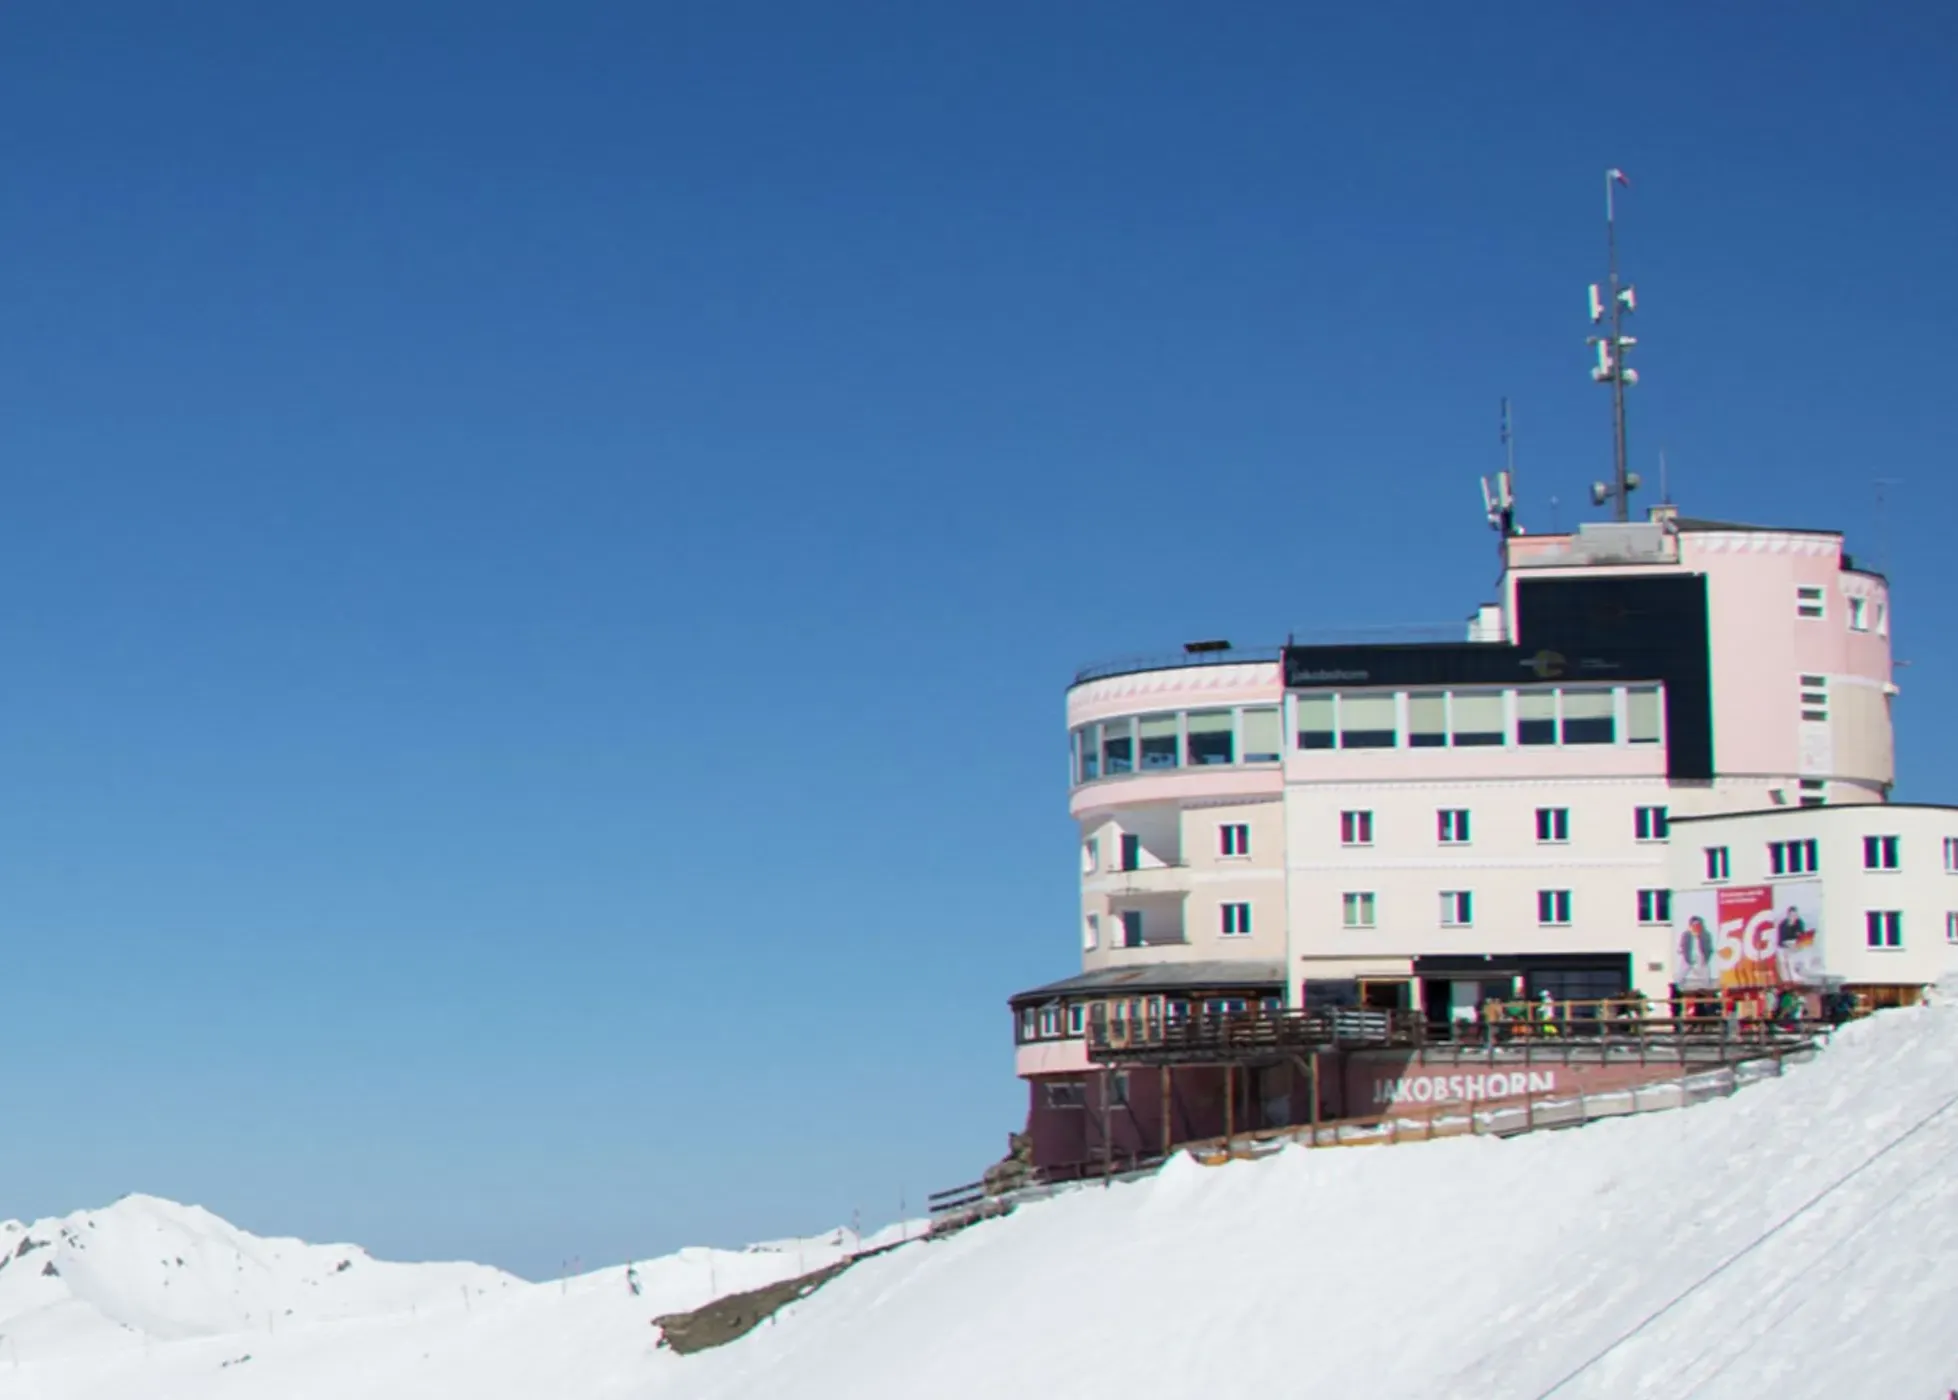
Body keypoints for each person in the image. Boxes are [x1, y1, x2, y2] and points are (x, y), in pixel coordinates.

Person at [1678, 915, 1716, 992]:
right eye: (1694, 925)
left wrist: (1706, 957)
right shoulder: (1686, 935)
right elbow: (1683, 946)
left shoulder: (1706, 935)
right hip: (1689, 956)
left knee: (1705, 972)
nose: (1696, 927)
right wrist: (1686, 955)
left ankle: (1706, 988)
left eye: (1698, 925)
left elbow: (1709, 948)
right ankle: (1678, 986)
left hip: (1701, 956)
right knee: (1682, 972)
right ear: (1691, 926)